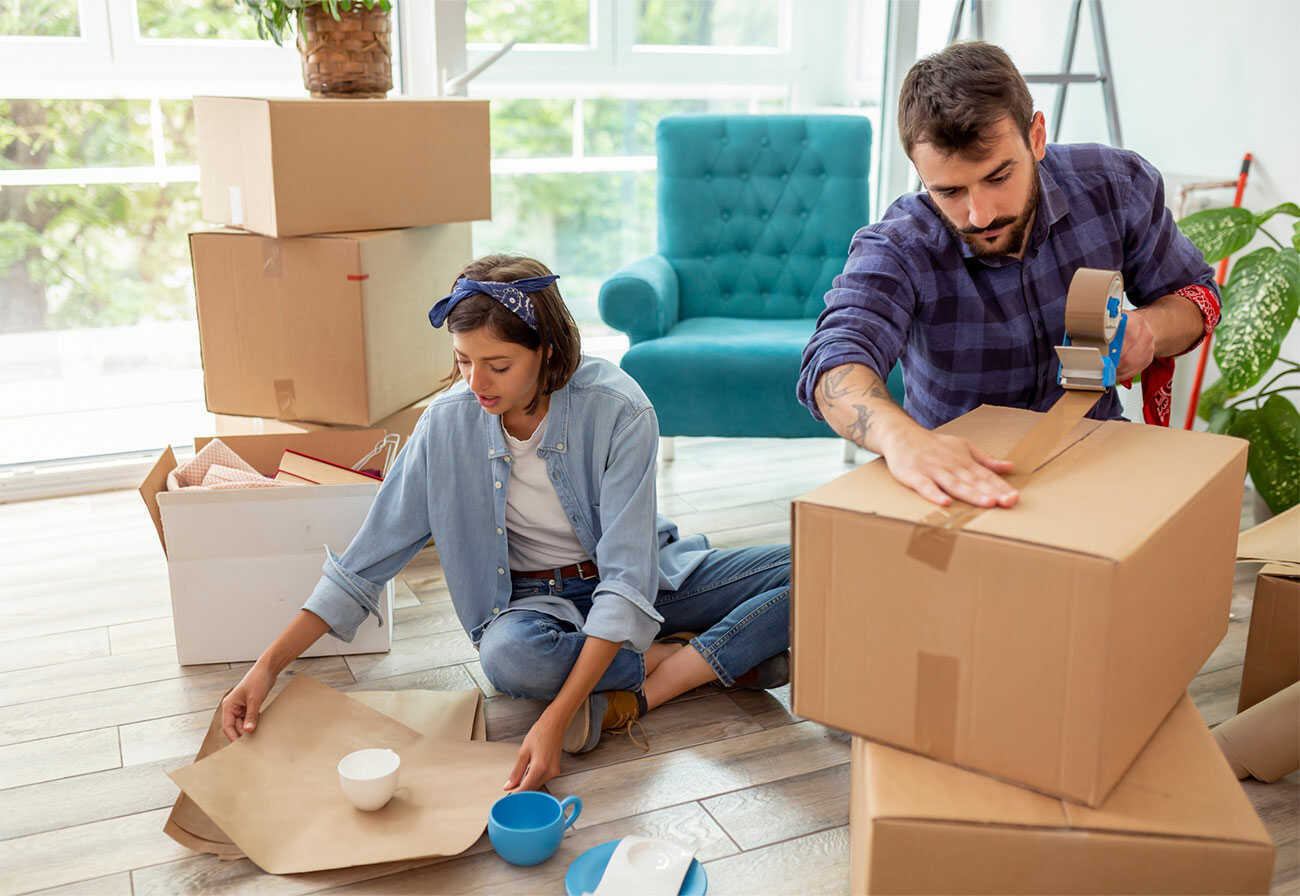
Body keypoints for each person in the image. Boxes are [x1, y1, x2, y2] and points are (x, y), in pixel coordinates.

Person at [220, 254, 791, 793]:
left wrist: (554, 721)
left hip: (649, 576)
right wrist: (266, 666)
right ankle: (694, 657)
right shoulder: (446, 425)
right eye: (463, 361)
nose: (476, 383)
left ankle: (650, 686)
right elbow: (366, 560)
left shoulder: (619, 409)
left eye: (497, 365)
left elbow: (627, 579)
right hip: (534, 603)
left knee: (816, 569)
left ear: (546, 351)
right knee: (511, 660)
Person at [798, 42, 1220, 509]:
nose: (979, 215)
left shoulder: (1115, 186)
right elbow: (834, 359)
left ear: (1036, 136)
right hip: (963, 481)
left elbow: (1196, 294)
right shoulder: (900, 243)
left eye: (998, 178)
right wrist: (903, 440)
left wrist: (1150, 332)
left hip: (1100, 456)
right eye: (950, 191)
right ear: (919, 172)